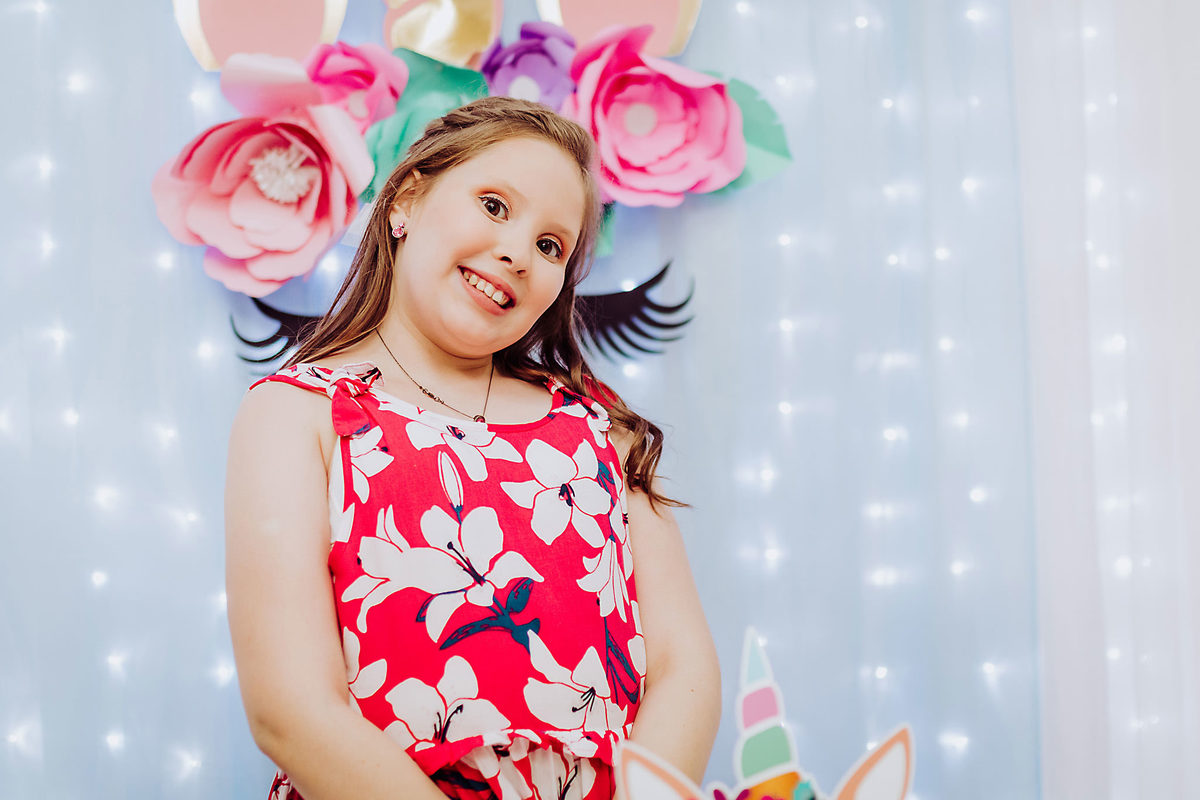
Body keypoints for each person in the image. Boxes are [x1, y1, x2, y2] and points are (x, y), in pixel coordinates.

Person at [224, 96, 721, 800]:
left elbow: (684, 670)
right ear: (406, 198)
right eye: (494, 206)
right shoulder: (297, 414)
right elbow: (289, 709)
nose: (518, 253)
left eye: (551, 246)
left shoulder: (598, 429)